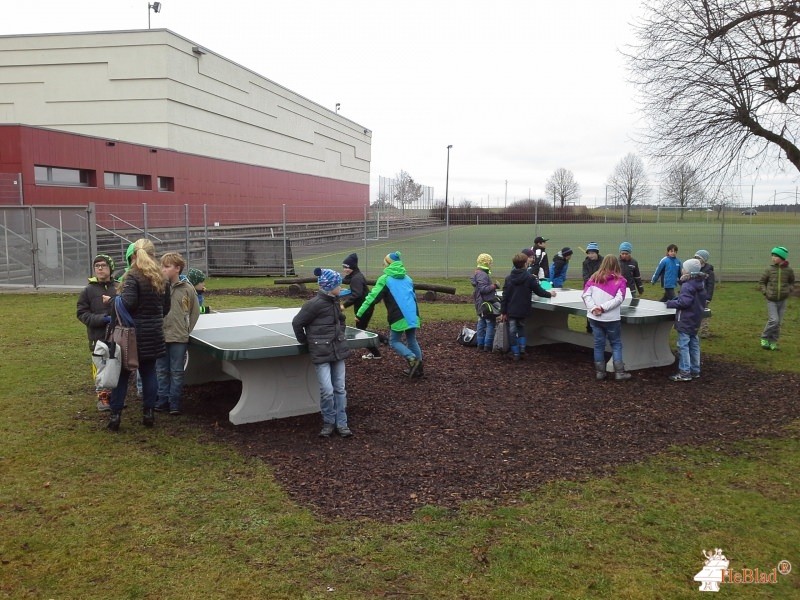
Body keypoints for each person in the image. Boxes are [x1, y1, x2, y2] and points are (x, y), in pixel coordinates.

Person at [107, 239, 171, 431]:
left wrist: (113, 300)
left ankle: (115, 415)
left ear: (133, 255)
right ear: (153, 254)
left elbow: (127, 303)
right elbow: (165, 308)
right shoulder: (161, 277)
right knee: (149, 372)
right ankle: (149, 412)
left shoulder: (132, 276)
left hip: (131, 335)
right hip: (153, 333)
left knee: (122, 375)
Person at [292, 268, 353, 438]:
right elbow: (297, 323)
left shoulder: (335, 301)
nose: (340, 287)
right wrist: (306, 342)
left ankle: (342, 423)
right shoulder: (314, 304)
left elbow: (341, 320)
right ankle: (328, 422)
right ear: (329, 286)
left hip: (338, 351)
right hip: (321, 353)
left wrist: (340, 333)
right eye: (338, 285)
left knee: (340, 388)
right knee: (327, 389)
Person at [355, 251, 423, 378]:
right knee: (411, 339)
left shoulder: (385, 279)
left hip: (398, 315)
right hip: (413, 313)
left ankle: (412, 359)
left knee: (394, 341)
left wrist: (359, 314)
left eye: (384, 263)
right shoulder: (408, 278)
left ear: (388, 264)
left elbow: (372, 298)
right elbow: (413, 296)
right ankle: (419, 368)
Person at [155, 252, 200, 415]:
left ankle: (175, 402)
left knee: (177, 371)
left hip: (179, 337)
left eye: (166, 266)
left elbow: (195, 312)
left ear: (177, 269)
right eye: (162, 266)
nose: (163, 269)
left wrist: (186, 329)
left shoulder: (187, 289)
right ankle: (162, 400)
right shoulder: (157, 287)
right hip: (160, 336)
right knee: (161, 370)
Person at [77, 254, 118, 411]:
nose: (100, 268)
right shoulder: (88, 291)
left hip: (117, 335)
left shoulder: (118, 287)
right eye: (97, 266)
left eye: (103, 265)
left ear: (110, 268)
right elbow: (82, 313)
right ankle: (103, 398)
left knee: (115, 365)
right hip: (97, 336)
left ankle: (116, 396)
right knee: (100, 367)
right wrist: (101, 319)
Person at [581, 254, 630, 381]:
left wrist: (594, 308)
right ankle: (619, 372)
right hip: (611, 318)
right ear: (616, 265)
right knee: (616, 344)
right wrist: (602, 308)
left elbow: (585, 295)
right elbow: (619, 299)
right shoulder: (621, 281)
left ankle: (600, 372)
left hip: (594, 317)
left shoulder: (593, 278)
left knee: (598, 345)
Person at [500, 252, 556, 361]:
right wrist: (550, 294)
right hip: (523, 308)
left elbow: (505, 296)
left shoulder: (508, 278)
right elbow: (539, 291)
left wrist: (503, 311)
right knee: (521, 328)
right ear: (525, 264)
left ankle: (515, 353)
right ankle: (522, 349)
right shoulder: (530, 278)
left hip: (511, 310)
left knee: (512, 331)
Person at [665, 258, 708, 381]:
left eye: (684, 268)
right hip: (695, 319)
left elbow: (684, 302)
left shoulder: (687, 285)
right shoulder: (700, 284)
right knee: (694, 344)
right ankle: (695, 370)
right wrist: (675, 300)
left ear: (688, 271)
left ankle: (684, 372)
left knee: (683, 345)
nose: (682, 270)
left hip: (685, 319)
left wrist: (670, 304)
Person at [341, 252, 384, 359]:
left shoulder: (356, 278)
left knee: (361, 330)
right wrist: (337, 280)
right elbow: (347, 280)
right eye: (343, 267)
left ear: (352, 267)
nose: (344, 269)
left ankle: (382, 342)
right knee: (362, 329)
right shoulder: (355, 275)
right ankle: (379, 347)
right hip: (364, 306)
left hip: (364, 307)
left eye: (346, 267)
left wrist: (344, 305)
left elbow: (356, 294)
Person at [758, 246, 795, 351]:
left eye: (775, 256)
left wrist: (789, 290)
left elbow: (791, 282)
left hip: (782, 300)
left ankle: (773, 342)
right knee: (774, 320)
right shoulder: (769, 269)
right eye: (772, 255)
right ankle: (764, 338)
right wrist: (765, 292)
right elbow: (762, 282)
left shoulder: (789, 270)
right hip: (771, 300)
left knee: (778, 323)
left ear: (782, 258)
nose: (773, 258)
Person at [470, 253, 501, 351]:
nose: (491, 265)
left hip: (479, 302)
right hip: (486, 302)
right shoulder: (483, 275)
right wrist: (495, 286)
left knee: (481, 322)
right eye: (490, 263)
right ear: (486, 263)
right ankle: (487, 345)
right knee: (490, 323)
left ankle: (480, 344)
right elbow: (484, 289)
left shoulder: (476, 273)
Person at [694, 250, 716, 338]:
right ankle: (694, 329)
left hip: (704, 297)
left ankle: (704, 331)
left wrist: (708, 297)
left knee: (704, 314)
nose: (696, 259)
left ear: (704, 260)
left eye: (698, 258)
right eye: (695, 257)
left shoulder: (709, 272)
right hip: (694, 295)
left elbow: (710, 286)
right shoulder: (694, 269)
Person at [582, 243, 602, 333]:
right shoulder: (585, 263)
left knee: (600, 308)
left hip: (601, 289)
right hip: (589, 289)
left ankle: (600, 328)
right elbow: (585, 276)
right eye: (589, 253)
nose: (591, 255)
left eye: (593, 253)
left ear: (597, 253)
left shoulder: (603, 261)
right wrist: (591, 284)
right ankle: (589, 328)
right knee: (590, 308)